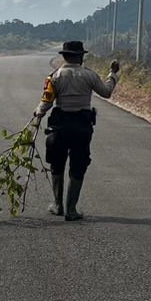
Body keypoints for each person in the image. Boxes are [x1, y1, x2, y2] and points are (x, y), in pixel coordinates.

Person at [32, 40, 119, 221]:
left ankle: (57, 205)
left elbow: (46, 101)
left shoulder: (54, 76)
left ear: (64, 56)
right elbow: (106, 92)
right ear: (80, 57)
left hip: (59, 126)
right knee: (78, 165)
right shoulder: (90, 76)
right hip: (82, 127)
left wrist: (38, 114)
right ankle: (72, 209)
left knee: (57, 164)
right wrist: (113, 75)